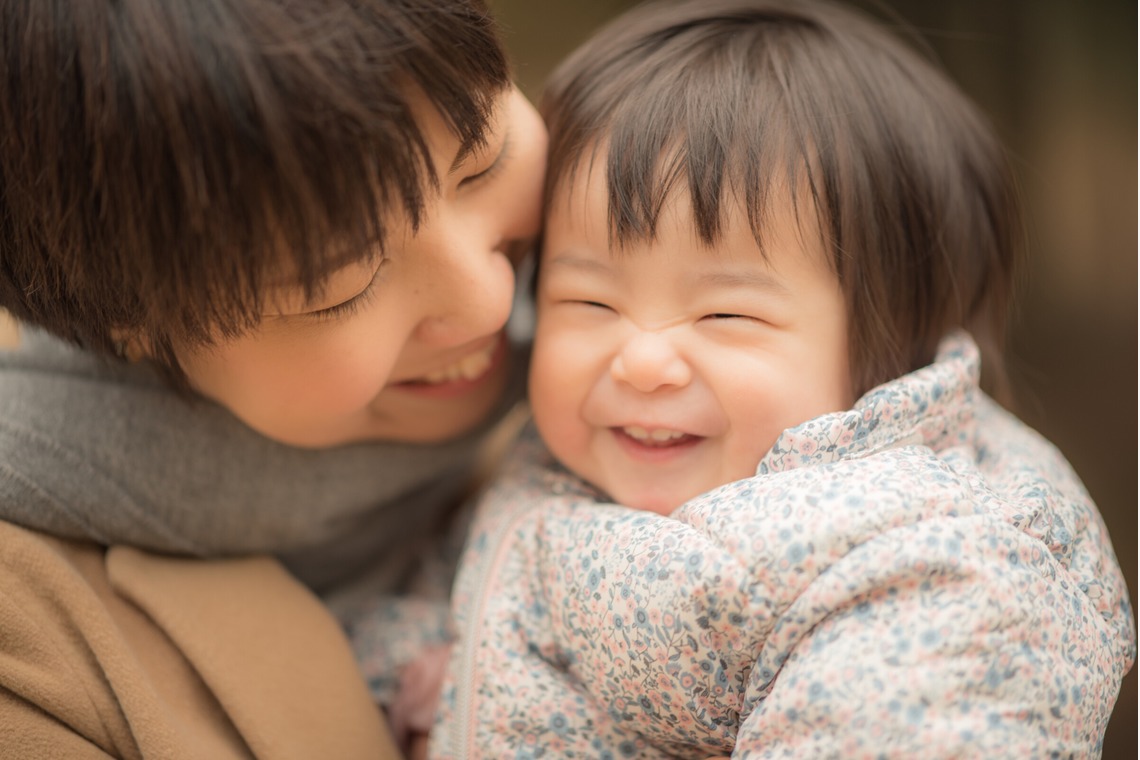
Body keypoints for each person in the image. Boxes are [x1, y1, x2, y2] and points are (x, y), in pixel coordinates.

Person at [425, 0, 1137, 756]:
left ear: (890, 345)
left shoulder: (933, 572)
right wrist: (428, 674)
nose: (639, 359)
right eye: (589, 300)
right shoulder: (543, 463)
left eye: (726, 318)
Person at [0, 0, 546, 756]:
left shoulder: (677, 325)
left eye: (483, 158)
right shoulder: (29, 655)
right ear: (128, 332)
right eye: (341, 287)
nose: (486, 302)